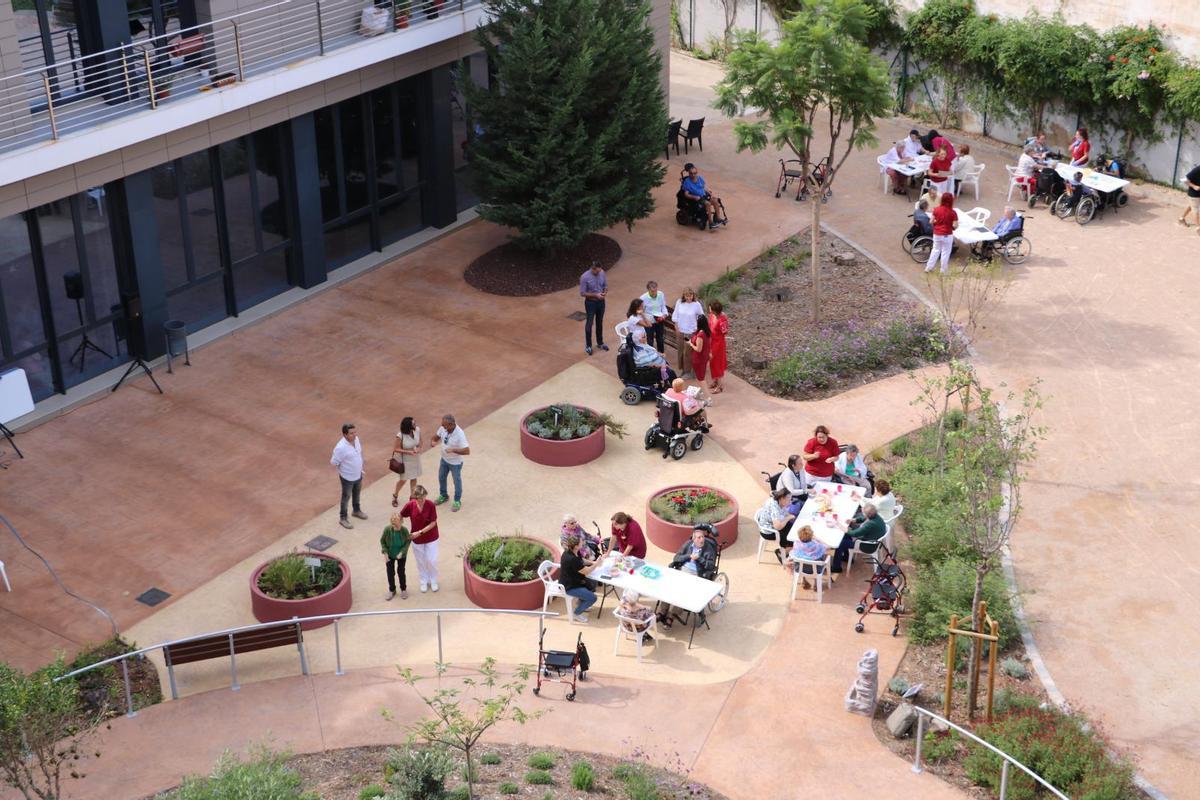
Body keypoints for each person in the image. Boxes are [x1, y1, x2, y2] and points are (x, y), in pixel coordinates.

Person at [400, 485, 440, 592]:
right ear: (415, 498)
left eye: (424, 497)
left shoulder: (430, 505)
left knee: (432, 560)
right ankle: (424, 580)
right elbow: (401, 515)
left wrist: (419, 532)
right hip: (416, 539)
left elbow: (433, 523)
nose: (422, 500)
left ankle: (433, 579)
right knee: (420, 561)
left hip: (431, 537)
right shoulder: (410, 505)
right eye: (419, 498)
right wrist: (400, 529)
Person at [830, 502, 887, 573]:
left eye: (863, 512)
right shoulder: (876, 516)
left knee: (840, 543)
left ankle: (836, 568)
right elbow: (863, 518)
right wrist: (852, 520)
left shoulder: (870, 524)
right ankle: (846, 557)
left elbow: (854, 533)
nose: (862, 512)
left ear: (868, 514)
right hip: (872, 539)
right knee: (845, 536)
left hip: (866, 545)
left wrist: (839, 525)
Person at [331, 422, 367, 530]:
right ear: (345, 434)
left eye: (355, 432)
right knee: (346, 497)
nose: (354, 435)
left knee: (357, 493)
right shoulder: (340, 448)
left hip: (358, 473)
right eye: (351, 433)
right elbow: (334, 462)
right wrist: (344, 470)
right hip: (347, 477)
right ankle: (343, 518)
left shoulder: (356, 440)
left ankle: (356, 511)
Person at [432, 414, 470, 511]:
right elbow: (435, 437)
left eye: (445, 426)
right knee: (441, 477)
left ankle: (457, 501)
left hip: (455, 463)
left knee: (456, 481)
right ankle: (443, 496)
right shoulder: (443, 428)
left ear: (451, 424)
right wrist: (433, 441)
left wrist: (453, 450)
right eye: (442, 425)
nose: (443, 427)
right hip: (444, 460)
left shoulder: (460, 434)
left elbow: (467, 451)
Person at [560, 534, 601, 623]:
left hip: (575, 580)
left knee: (593, 584)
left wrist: (593, 562)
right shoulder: (571, 559)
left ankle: (581, 602)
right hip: (570, 586)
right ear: (576, 546)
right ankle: (576, 613)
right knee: (593, 598)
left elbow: (581, 560)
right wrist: (597, 564)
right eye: (581, 542)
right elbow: (586, 571)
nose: (583, 542)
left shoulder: (572, 551)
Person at [625, 298, 670, 378]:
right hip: (638, 339)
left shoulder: (637, 315)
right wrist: (643, 315)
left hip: (641, 337)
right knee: (649, 353)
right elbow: (649, 325)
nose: (643, 307)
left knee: (651, 350)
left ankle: (660, 365)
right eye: (642, 306)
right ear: (637, 308)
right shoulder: (634, 318)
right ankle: (658, 367)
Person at [681, 162, 727, 231]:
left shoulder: (699, 178)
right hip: (696, 199)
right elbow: (686, 194)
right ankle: (711, 223)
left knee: (715, 200)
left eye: (695, 173)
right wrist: (694, 197)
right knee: (708, 204)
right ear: (689, 173)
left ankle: (718, 218)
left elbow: (704, 188)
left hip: (704, 196)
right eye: (691, 173)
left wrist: (711, 194)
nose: (693, 175)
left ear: (697, 172)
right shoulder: (687, 182)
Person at [756, 486, 796, 565]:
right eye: (789, 500)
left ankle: (787, 550)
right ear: (782, 499)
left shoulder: (778, 500)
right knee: (789, 533)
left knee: (791, 527)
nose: (790, 502)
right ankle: (782, 552)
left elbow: (784, 513)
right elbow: (778, 526)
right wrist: (788, 517)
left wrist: (789, 517)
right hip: (768, 532)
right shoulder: (774, 507)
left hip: (770, 524)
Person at [671, 287, 705, 377]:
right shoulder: (679, 302)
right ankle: (683, 369)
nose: (689, 298)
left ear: (693, 295)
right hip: (680, 331)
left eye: (690, 296)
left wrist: (697, 327)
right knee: (681, 351)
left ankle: (688, 371)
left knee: (688, 352)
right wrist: (676, 327)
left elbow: (701, 316)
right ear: (684, 296)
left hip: (690, 332)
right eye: (687, 296)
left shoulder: (696, 304)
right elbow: (675, 316)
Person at [391, 416, 422, 507]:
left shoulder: (417, 430)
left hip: (415, 458)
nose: (415, 424)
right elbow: (396, 449)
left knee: (414, 477)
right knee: (403, 480)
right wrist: (408, 452)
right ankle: (395, 495)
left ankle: (412, 497)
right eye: (413, 423)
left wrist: (419, 449)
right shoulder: (400, 435)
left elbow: (421, 442)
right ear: (408, 426)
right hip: (405, 460)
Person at [579, 261, 609, 356]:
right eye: (597, 271)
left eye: (600, 271)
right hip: (590, 303)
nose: (598, 273)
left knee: (599, 322)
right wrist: (596, 295)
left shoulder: (602, 273)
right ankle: (588, 346)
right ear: (593, 268)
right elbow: (582, 293)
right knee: (589, 323)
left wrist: (604, 291)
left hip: (601, 302)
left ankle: (600, 343)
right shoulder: (584, 277)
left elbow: (605, 285)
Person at [785, 525, 828, 592]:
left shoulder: (797, 544)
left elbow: (793, 553)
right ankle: (816, 583)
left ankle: (804, 580)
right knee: (822, 556)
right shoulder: (817, 546)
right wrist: (817, 539)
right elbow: (826, 547)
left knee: (801, 560)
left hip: (800, 569)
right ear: (811, 536)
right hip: (816, 570)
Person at [380, 512, 411, 600]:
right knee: (390, 573)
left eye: (397, 525)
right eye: (393, 525)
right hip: (390, 554)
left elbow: (408, 541)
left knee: (401, 572)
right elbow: (382, 541)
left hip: (401, 555)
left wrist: (402, 552)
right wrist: (385, 553)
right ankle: (392, 590)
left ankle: (403, 589)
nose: (396, 527)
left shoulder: (404, 530)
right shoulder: (387, 529)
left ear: (401, 522)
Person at [925, 193, 958, 274]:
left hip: (937, 233)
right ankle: (943, 270)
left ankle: (929, 267)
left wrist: (937, 223)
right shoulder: (953, 213)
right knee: (945, 252)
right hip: (947, 234)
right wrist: (952, 227)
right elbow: (955, 225)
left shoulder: (936, 209)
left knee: (935, 250)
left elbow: (931, 221)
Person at [640, 280, 668, 353]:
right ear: (648, 290)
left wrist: (664, 315)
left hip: (659, 320)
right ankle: (651, 355)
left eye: (655, 290)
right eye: (652, 291)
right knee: (650, 339)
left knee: (660, 338)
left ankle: (661, 354)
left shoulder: (661, 294)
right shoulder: (643, 298)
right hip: (649, 322)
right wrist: (645, 321)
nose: (654, 293)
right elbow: (641, 312)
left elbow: (663, 306)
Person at [707, 300, 728, 394]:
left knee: (717, 363)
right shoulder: (711, 315)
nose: (709, 309)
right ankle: (715, 380)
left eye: (710, 308)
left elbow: (725, 332)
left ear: (714, 310)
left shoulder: (722, 320)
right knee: (712, 362)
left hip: (718, 344)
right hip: (711, 342)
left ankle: (720, 386)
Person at [687, 313, 712, 383]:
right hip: (704, 357)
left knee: (700, 378)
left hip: (698, 358)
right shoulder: (707, 332)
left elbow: (698, 349)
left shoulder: (700, 335)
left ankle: (705, 391)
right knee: (701, 375)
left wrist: (691, 344)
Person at [1179, 162, 1200, 228]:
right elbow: (1184, 179)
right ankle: (1198, 227)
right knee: (1195, 210)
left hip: (1198, 193)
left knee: (1192, 206)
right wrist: (1194, 186)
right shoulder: (1197, 169)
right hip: (1193, 193)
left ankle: (1181, 218)